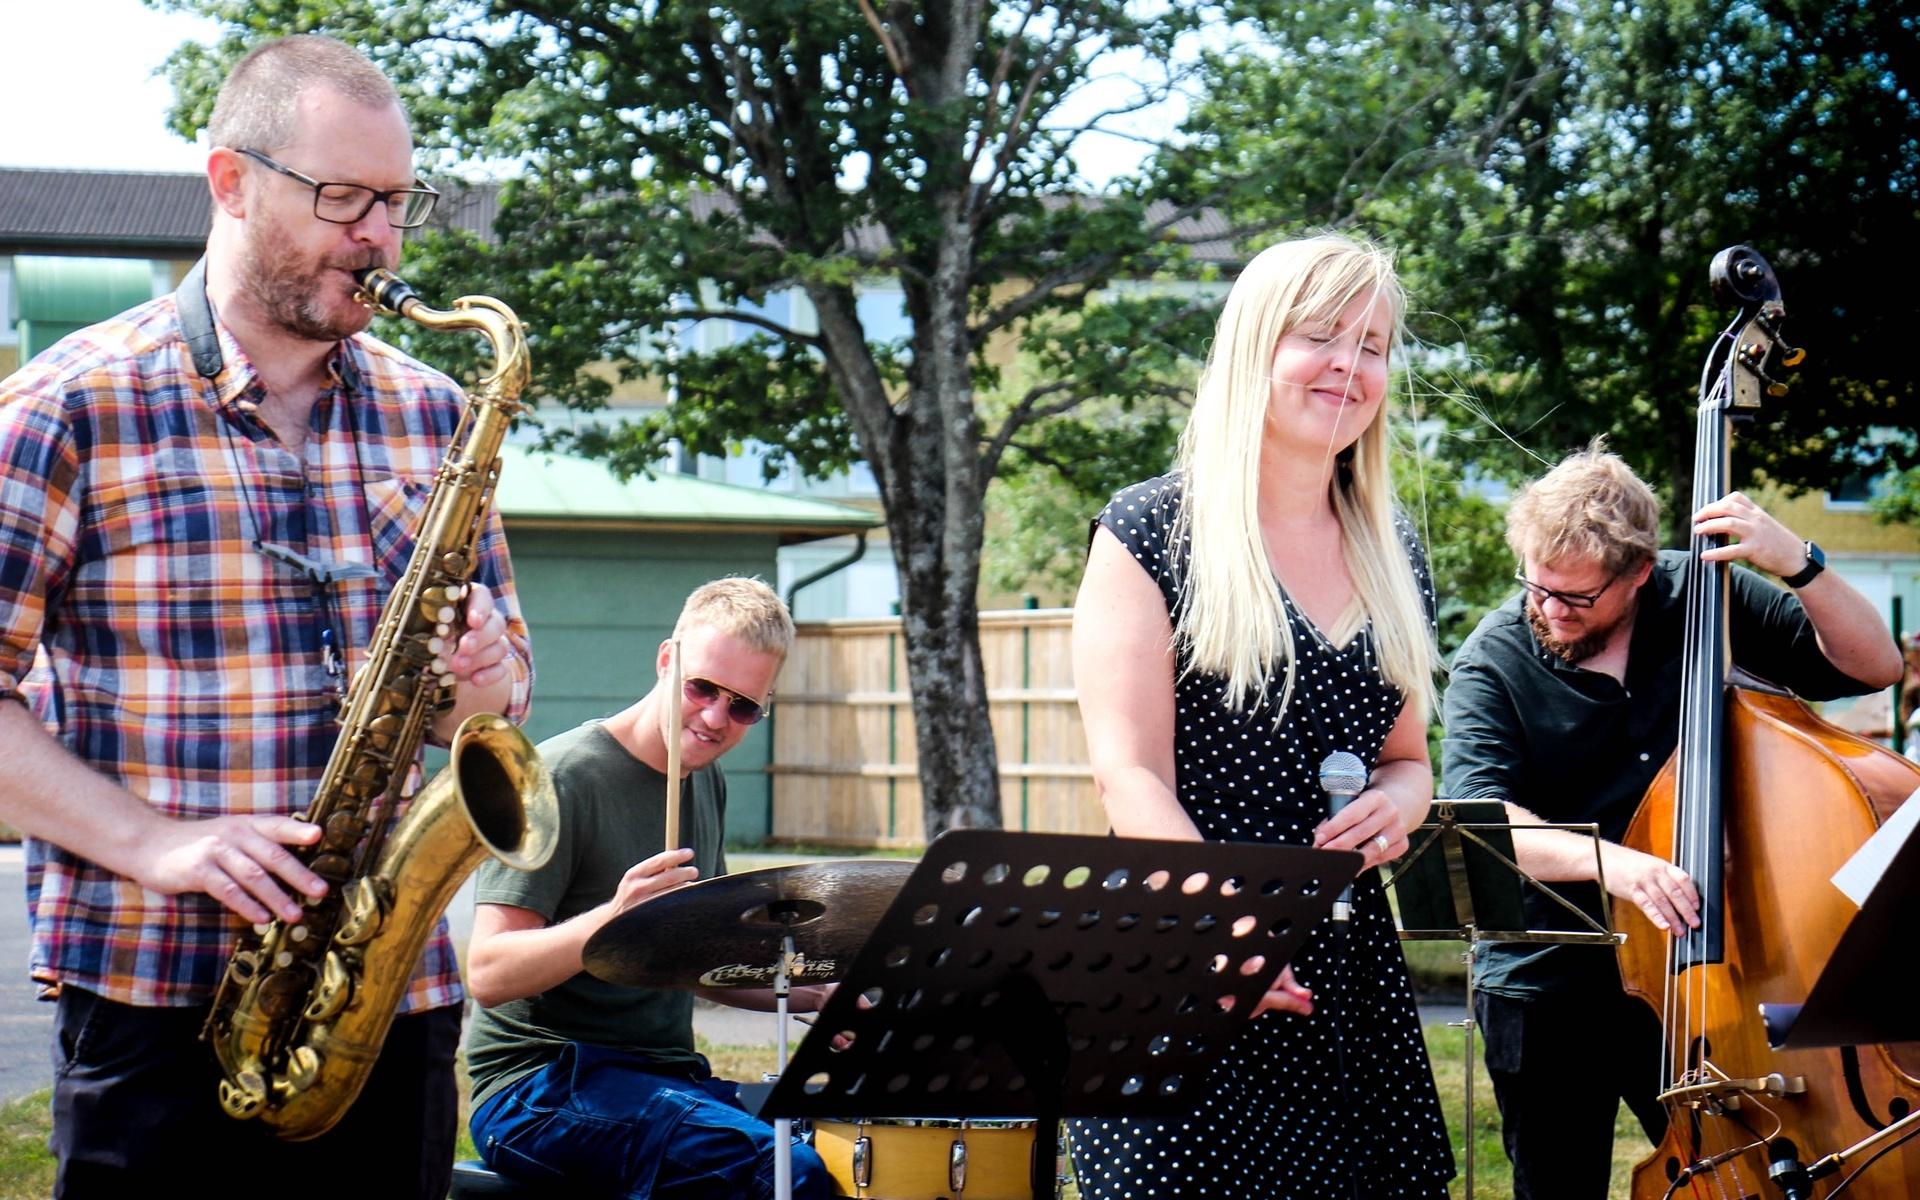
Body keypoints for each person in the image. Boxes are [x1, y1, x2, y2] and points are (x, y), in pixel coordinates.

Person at [0, 35, 531, 1197]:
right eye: (343, 197)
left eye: (399, 202)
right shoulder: (66, 407)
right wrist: (157, 843)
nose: (380, 237)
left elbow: (488, 710)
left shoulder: (436, 409)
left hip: (390, 1008)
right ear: (230, 181)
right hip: (157, 1013)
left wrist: (484, 677)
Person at [1068, 234, 1456, 1198]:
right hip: (1183, 958)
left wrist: (1403, 802)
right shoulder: (1148, 530)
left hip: (1343, 976)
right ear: (1255, 349)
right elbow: (1131, 777)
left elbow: (1408, 757)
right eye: (1321, 335)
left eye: (1373, 345)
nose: (1350, 367)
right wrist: (1227, 932)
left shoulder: (1394, 548)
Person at [1440, 443, 1902, 1200]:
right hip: (1549, 981)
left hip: (1706, 970)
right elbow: (1485, 822)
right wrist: (1617, 865)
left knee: (1748, 1176)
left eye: (1578, 597)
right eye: (1537, 585)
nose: (1550, 610)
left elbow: (1873, 666)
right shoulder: (1493, 659)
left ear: (1640, 573)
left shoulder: (1706, 595)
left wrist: (1800, 563)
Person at [464, 577, 832, 1199]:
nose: (716, 718)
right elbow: (489, 972)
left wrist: (806, 992)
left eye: (743, 706)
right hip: (539, 1085)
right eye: (702, 688)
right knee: (782, 1176)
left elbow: (693, 962)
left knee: (837, 1145)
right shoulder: (561, 778)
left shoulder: (703, 783)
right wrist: (614, 918)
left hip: (662, 1078)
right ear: (667, 659)